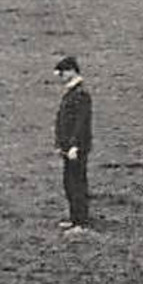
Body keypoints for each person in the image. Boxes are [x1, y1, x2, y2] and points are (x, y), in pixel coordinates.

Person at [54, 55, 93, 232]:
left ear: (71, 71)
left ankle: (81, 222)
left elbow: (81, 123)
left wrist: (74, 146)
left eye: (62, 73)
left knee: (77, 183)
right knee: (69, 182)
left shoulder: (81, 94)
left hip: (76, 148)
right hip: (68, 147)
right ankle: (74, 218)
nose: (61, 76)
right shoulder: (73, 92)